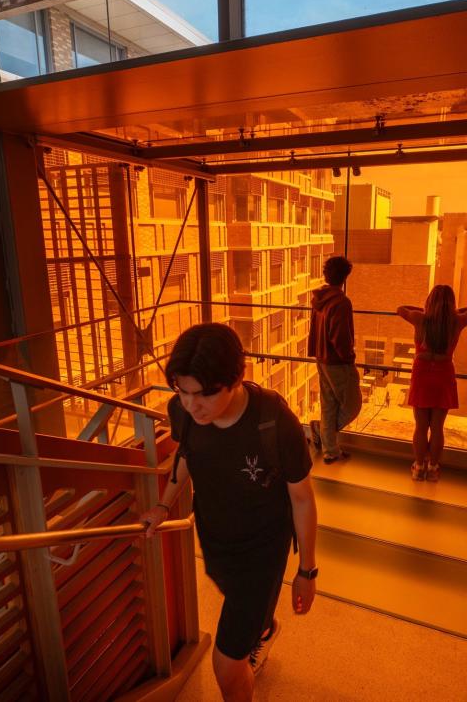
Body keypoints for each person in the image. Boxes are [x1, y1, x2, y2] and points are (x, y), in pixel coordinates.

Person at [141, 323, 318, 702]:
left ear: (236, 379)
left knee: (226, 663)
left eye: (205, 393)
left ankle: (251, 637)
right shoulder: (183, 411)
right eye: (183, 391)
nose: (192, 405)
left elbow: (303, 499)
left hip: (262, 551)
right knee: (234, 598)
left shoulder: (274, 421)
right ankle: (263, 628)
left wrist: (307, 571)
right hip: (215, 535)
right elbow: (186, 455)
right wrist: (162, 505)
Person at [397, 286, 467, 482]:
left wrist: (426, 310)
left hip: (422, 372)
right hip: (444, 372)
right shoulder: (456, 321)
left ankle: (418, 468)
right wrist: (451, 312)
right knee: (437, 427)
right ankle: (433, 469)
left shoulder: (420, 318)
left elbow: (400, 309)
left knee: (420, 426)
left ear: (429, 302)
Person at [308, 255, 362, 463]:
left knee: (329, 403)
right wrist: (349, 357)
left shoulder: (319, 299)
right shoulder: (341, 302)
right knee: (353, 405)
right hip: (338, 362)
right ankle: (321, 432)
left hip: (322, 358)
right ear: (345, 276)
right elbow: (340, 336)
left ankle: (330, 451)